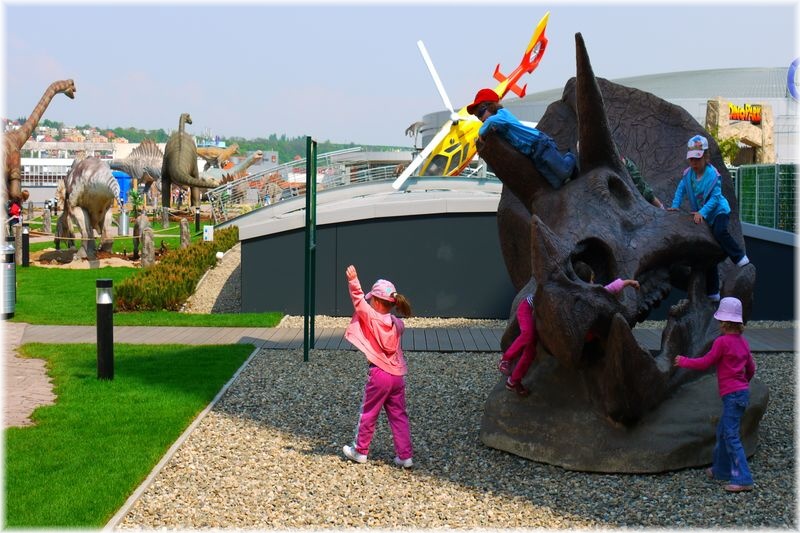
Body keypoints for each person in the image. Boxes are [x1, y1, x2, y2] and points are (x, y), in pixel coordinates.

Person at [674, 297, 756, 493]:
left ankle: (744, 478)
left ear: (725, 323)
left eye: (719, 321)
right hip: (741, 393)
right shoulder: (743, 343)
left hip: (732, 396)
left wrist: (684, 361)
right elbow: (751, 368)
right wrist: (743, 383)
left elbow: (705, 362)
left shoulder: (722, 342)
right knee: (723, 431)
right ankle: (722, 469)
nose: (718, 324)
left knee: (731, 436)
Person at [342, 265, 414, 468]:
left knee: (369, 412)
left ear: (374, 300)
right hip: (397, 376)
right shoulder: (396, 324)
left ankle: (360, 451)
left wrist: (353, 280)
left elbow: (358, 300)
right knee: (399, 415)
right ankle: (405, 456)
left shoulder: (371, 317)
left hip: (379, 374)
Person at [668, 135, 750, 301]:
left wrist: (702, 213)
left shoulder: (713, 175)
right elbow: (681, 189)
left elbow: (715, 198)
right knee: (708, 248)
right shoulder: (688, 175)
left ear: (706, 157)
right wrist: (675, 205)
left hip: (718, 212)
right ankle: (713, 292)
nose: (694, 163)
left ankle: (739, 257)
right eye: (691, 159)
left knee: (719, 232)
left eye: (697, 159)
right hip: (703, 216)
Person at [468, 88, 577, 189]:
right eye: (477, 116)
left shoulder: (503, 114)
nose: (480, 118)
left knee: (564, 171)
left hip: (540, 144)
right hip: (534, 155)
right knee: (555, 184)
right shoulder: (498, 126)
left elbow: (491, 121)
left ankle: (573, 154)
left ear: (490, 106)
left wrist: (481, 133)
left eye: (480, 113)